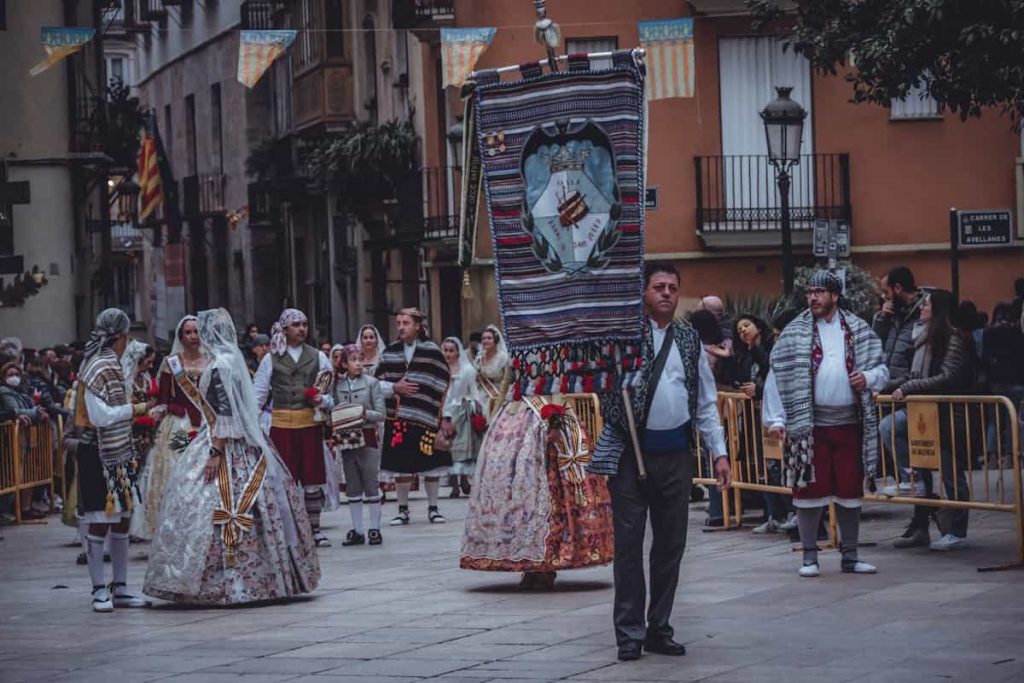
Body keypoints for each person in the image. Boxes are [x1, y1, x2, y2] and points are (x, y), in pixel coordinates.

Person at [589, 262, 731, 662]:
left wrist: (719, 453)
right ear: (644, 292)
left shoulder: (689, 340)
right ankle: (629, 633)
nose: (666, 293)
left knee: (670, 546)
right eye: (658, 287)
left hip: (675, 456)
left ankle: (659, 627)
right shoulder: (620, 339)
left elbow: (705, 403)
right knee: (630, 547)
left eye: (672, 287)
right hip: (629, 455)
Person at [143, 308, 320, 605]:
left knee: (217, 506)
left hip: (222, 442)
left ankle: (228, 582)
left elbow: (224, 413)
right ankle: (267, 577)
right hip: (241, 441)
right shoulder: (230, 362)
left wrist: (215, 452)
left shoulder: (219, 366)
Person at [764, 270, 887, 578]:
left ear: (834, 295)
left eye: (819, 292)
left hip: (849, 423)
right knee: (808, 493)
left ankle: (850, 556)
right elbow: (776, 376)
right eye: (810, 292)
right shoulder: (793, 333)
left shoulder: (859, 330)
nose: (813, 298)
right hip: (809, 427)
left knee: (849, 492)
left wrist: (869, 378)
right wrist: (777, 419)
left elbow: (881, 368)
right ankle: (809, 557)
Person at [76, 308, 155, 611]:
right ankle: (99, 590)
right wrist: (136, 410)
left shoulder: (116, 365)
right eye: (126, 336)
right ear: (119, 336)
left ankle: (120, 588)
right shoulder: (97, 366)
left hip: (120, 451)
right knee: (100, 520)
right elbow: (100, 416)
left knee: (122, 519)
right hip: (98, 452)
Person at [884, 290, 976, 551]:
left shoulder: (953, 337)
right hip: (923, 412)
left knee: (951, 473)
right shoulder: (923, 336)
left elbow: (948, 376)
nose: (922, 308)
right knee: (889, 426)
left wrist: (911, 387)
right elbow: (911, 374)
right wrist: (886, 386)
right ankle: (913, 481)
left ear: (937, 309)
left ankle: (957, 531)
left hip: (948, 415)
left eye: (926, 304)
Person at [253, 308, 335, 547]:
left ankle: (315, 529)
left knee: (312, 477)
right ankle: (288, 530)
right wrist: (253, 424)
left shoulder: (318, 357)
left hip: (308, 424)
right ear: (285, 329)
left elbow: (329, 394)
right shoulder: (271, 358)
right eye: (296, 325)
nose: (302, 329)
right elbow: (259, 394)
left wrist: (322, 401)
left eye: (305, 325)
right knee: (284, 479)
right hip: (280, 425)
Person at [375, 307, 451, 525]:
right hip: (398, 418)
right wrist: (394, 387)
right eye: (398, 323)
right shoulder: (390, 352)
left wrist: (445, 416)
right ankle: (402, 509)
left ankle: (434, 508)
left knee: (431, 463)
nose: (401, 327)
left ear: (418, 326)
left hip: (427, 416)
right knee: (400, 464)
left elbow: (443, 383)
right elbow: (376, 383)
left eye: (405, 323)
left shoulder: (432, 352)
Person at [139, 316, 209, 540]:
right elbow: (163, 397)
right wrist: (156, 414)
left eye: (196, 332)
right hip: (180, 424)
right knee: (175, 471)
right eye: (188, 332)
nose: (193, 336)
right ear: (181, 336)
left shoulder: (211, 360)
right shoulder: (172, 363)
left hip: (207, 423)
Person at [732, 314, 794, 535]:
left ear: (758, 325)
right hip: (755, 415)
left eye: (746, 325)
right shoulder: (744, 354)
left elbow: (769, 371)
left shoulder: (770, 345)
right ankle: (773, 514)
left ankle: (791, 511)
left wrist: (756, 389)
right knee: (764, 466)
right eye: (739, 330)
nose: (744, 332)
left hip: (774, 413)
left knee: (779, 465)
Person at [330, 344, 385, 547]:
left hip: (367, 434)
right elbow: (333, 408)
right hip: (346, 437)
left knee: (371, 481)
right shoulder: (338, 385)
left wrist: (364, 413)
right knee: (352, 484)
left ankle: (374, 529)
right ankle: (358, 529)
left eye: (360, 359)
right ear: (344, 363)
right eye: (353, 360)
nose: (358, 363)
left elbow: (381, 413)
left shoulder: (372, 383)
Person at [0, 361, 50, 520]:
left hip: (28, 437)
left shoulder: (22, 392)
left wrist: (35, 412)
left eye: (16, 374)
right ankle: (15, 508)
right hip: (13, 439)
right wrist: (35, 413)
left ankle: (26, 507)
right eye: (10, 375)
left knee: (28, 473)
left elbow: (27, 408)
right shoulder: (4, 391)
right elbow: (14, 409)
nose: (14, 378)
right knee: (17, 473)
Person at [440, 337, 481, 498]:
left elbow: (474, 390)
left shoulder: (467, 370)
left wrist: (477, 406)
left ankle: (463, 479)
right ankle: (453, 484)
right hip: (443, 411)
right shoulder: (441, 370)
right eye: (445, 350)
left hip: (461, 411)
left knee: (461, 449)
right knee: (446, 447)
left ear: (458, 352)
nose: (448, 354)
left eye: (451, 350)